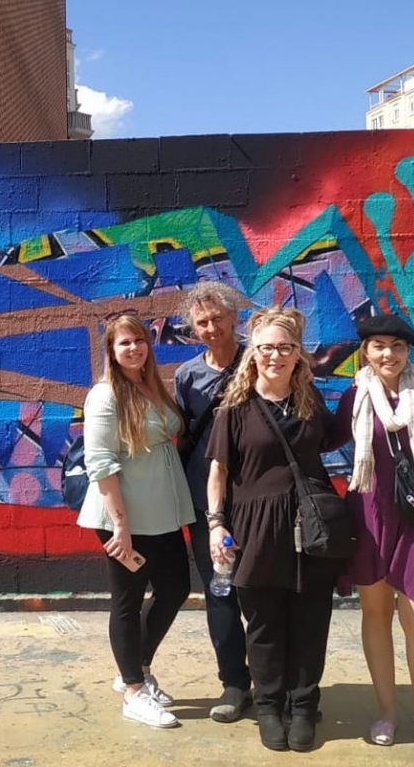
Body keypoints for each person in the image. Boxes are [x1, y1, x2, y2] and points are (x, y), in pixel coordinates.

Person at [205, 307, 341, 752]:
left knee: (309, 621)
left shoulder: (311, 402)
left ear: (297, 354)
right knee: (262, 624)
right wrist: (215, 525)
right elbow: (219, 473)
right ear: (253, 353)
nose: (275, 356)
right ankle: (268, 705)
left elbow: (338, 438)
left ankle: (303, 707)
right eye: (266, 348)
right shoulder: (234, 408)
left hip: (309, 530)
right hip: (255, 529)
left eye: (285, 348)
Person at [76, 311, 195, 729]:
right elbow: (100, 463)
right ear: (111, 349)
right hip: (122, 518)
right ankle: (132, 691)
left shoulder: (153, 388)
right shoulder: (105, 395)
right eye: (123, 342)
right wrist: (120, 527)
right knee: (126, 602)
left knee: (176, 588)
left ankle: (137, 668)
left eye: (139, 340)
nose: (133, 348)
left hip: (161, 515)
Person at [334, 314, 414, 748]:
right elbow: (319, 438)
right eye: (379, 345)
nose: (388, 354)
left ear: (408, 352)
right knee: (375, 615)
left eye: (397, 347)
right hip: (368, 513)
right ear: (366, 351)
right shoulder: (354, 395)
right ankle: (385, 712)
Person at [173, 282, 252, 723]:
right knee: (220, 592)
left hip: (260, 499)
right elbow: (184, 435)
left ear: (234, 317)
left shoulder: (258, 362)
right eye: (201, 322)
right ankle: (234, 683)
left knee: (260, 590)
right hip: (208, 504)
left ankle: (270, 677)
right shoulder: (187, 376)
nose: (210, 328)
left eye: (217, 318)